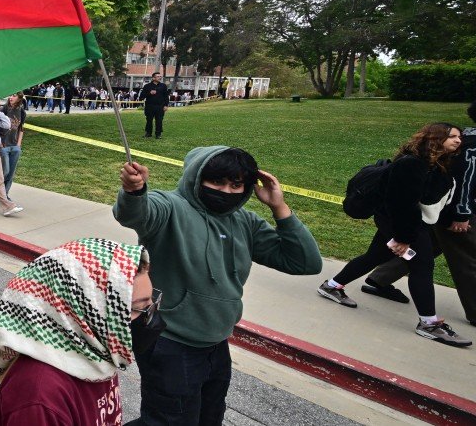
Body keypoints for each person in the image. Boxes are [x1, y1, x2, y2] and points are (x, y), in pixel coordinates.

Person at [115, 146, 322, 424]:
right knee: (169, 420)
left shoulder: (246, 222)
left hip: (217, 343)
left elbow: (305, 262)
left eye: (236, 185)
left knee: (209, 417)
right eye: (216, 182)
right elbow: (136, 214)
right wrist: (134, 191)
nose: (226, 191)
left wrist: (279, 207)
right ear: (197, 177)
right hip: (170, 342)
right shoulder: (171, 207)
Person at [317, 123, 471, 346]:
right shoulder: (412, 164)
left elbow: (433, 199)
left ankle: (332, 286)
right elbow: (401, 204)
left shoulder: (438, 165)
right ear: (435, 139)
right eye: (452, 136)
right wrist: (403, 238)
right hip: (401, 222)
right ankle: (429, 324)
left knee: (375, 256)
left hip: (406, 222)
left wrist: (449, 219)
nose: (458, 140)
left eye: (459, 137)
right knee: (422, 265)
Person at [0, 238, 162, 426]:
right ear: (91, 311)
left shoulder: (94, 351)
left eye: (151, 303)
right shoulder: (40, 401)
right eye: (138, 308)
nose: (150, 316)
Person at [364, 101, 476, 325]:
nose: (456, 140)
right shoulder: (471, 145)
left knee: (428, 247)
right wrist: (461, 214)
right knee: (468, 259)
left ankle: (380, 278)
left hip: (440, 208)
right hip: (452, 210)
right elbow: (465, 180)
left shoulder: (465, 138)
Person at [138, 73, 169, 139]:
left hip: (160, 106)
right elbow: (141, 97)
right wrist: (149, 93)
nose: (160, 77)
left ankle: (158, 134)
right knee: (149, 120)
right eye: (158, 76)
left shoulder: (163, 86)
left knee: (159, 120)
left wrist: (166, 105)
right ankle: (148, 133)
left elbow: (166, 96)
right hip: (149, 106)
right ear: (153, 78)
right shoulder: (147, 86)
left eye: (160, 76)